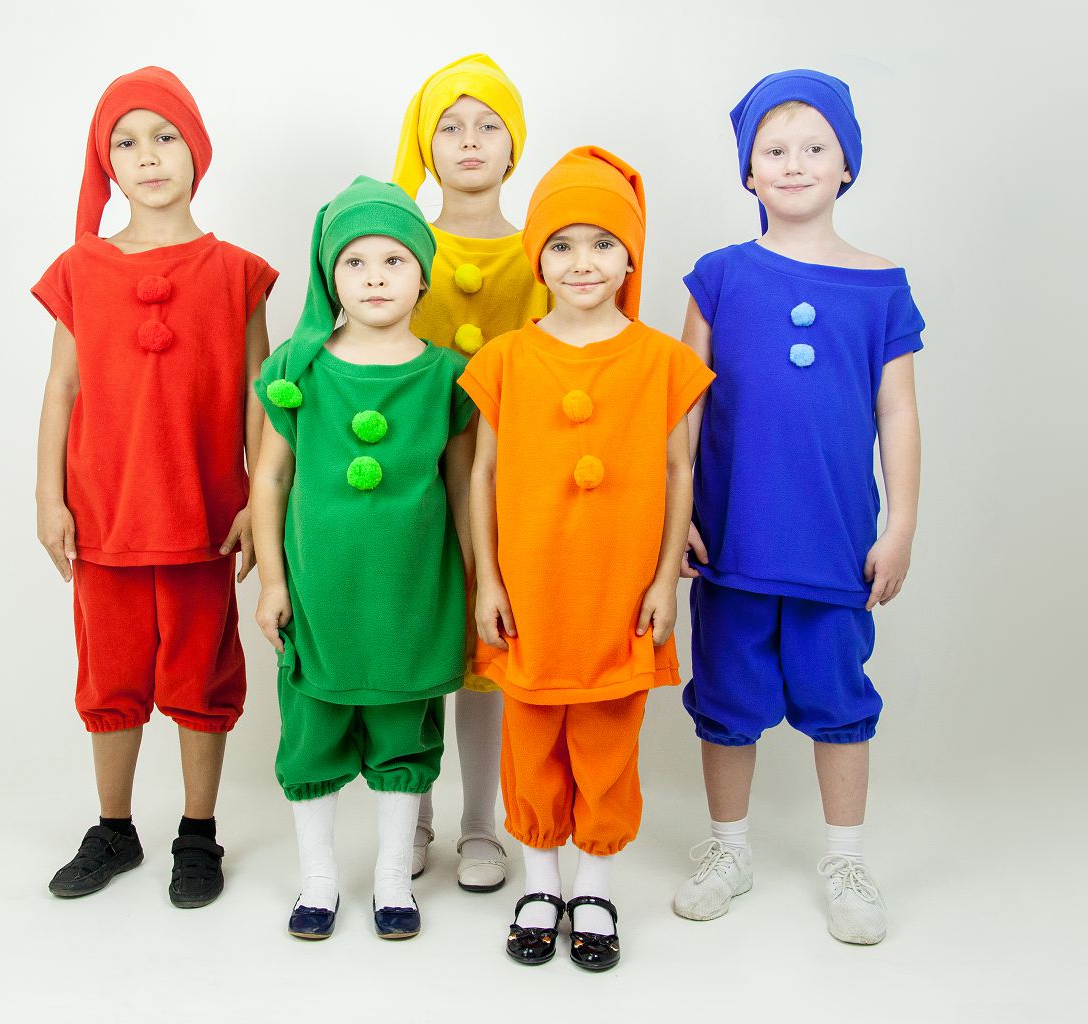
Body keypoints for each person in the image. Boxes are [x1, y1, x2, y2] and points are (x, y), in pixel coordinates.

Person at [673, 70, 925, 945]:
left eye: (814, 147)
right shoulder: (717, 277)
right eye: (773, 150)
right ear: (748, 171)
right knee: (726, 697)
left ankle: (845, 860)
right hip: (732, 537)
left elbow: (897, 411)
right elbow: (683, 407)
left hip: (833, 541)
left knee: (838, 697)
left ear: (845, 164)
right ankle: (728, 850)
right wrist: (677, 513)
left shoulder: (881, 284)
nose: (793, 163)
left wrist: (899, 526)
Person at [460, 147, 713, 970]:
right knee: (530, 737)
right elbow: (483, 473)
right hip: (531, 592)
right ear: (536, 256)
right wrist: (487, 581)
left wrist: (664, 581)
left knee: (607, 741)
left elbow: (678, 472)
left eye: (603, 243)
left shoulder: (662, 362)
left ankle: (595, 886)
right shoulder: (504, 358)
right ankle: (540, 884)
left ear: (630, 257)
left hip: (618, 592)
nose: (582, 262)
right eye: (562, 244)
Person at [31, 67, 276, 909]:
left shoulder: (237, 273)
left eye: (164, 136)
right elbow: (61, 387)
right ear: (106, 162)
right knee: (110, 676)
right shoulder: (80, 268)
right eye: (126, 142)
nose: (147, 156)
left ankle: (197, 833)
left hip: (204, 516)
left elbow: (257, 396)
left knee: (201, 676)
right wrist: (48, 498)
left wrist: (256, 504)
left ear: (195, 149)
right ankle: (114, 828)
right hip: (104, 512)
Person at [251, 176, 476, 941]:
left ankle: (391, 880)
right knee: (311, 728)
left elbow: (462, 486)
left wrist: (475, 581)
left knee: (402, 730)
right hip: (320, 593)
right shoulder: (299, 369)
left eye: (392, 260)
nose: (374, 277)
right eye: (354, 262)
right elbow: (270, 477)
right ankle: (318, 879)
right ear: (329, 274)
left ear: (423, 273)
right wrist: (272, 581)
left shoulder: (446, 376)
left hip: (411, 595)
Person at [392, 53, 549, 891]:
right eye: (449, 126)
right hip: (412, 484)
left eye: (489, 124)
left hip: (509, 486)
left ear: (514, 145)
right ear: (426, 144)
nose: (469, 140)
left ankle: (479, 823)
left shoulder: (543, 254)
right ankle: (412, 814)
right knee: (421, 639)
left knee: (488, 650)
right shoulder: (394, 248)